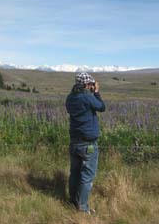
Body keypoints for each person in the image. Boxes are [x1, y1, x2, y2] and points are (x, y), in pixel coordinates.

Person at [65, 72, 106, 214]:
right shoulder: (88, 98)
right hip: (88, 143)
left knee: (74, 173)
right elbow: (101, 107)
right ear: (87, 85)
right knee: (87, 176)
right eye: (90, 84)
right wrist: (97, 92)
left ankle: (72, 201)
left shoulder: (70, 98)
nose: (91, 86)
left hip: (74, 141)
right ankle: (82, 208)